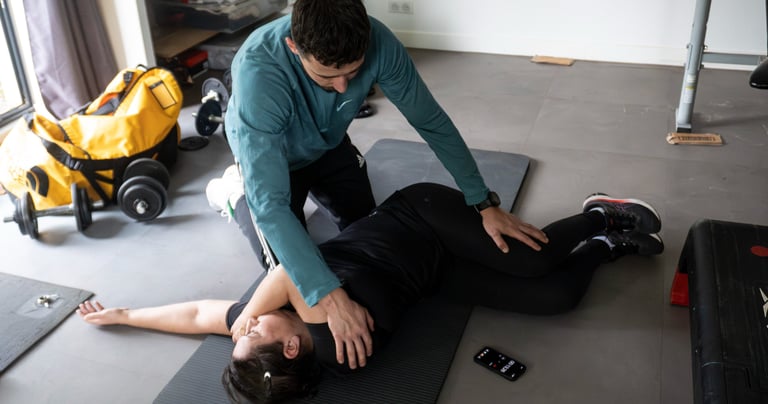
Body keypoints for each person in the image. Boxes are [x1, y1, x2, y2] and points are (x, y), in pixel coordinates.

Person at [80, 182, 664, 403]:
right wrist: (248, 317)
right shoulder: (321, 331)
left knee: (535, 264)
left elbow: (197, 314)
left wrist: (124, 314)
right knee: (553, 298)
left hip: (420, 215)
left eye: (244, 329)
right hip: (432, 270)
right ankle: (606, 245)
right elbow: (280, 279)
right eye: (252, 335)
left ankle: (598, 212)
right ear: (291, 348)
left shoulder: (278, 316)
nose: (246, 324)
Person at [223, 0, 546, 368]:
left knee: (367, 228)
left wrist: (482, 201)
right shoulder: (260, 74)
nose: (343, 86)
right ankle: (234, 192)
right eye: (327, 76)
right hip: (270, 156)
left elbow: (431, 122)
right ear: (295, 47)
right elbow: (272, 207)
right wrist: (330, 297)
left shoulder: (380, 42)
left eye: (353, 72)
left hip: (328, 143)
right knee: (288, 275)